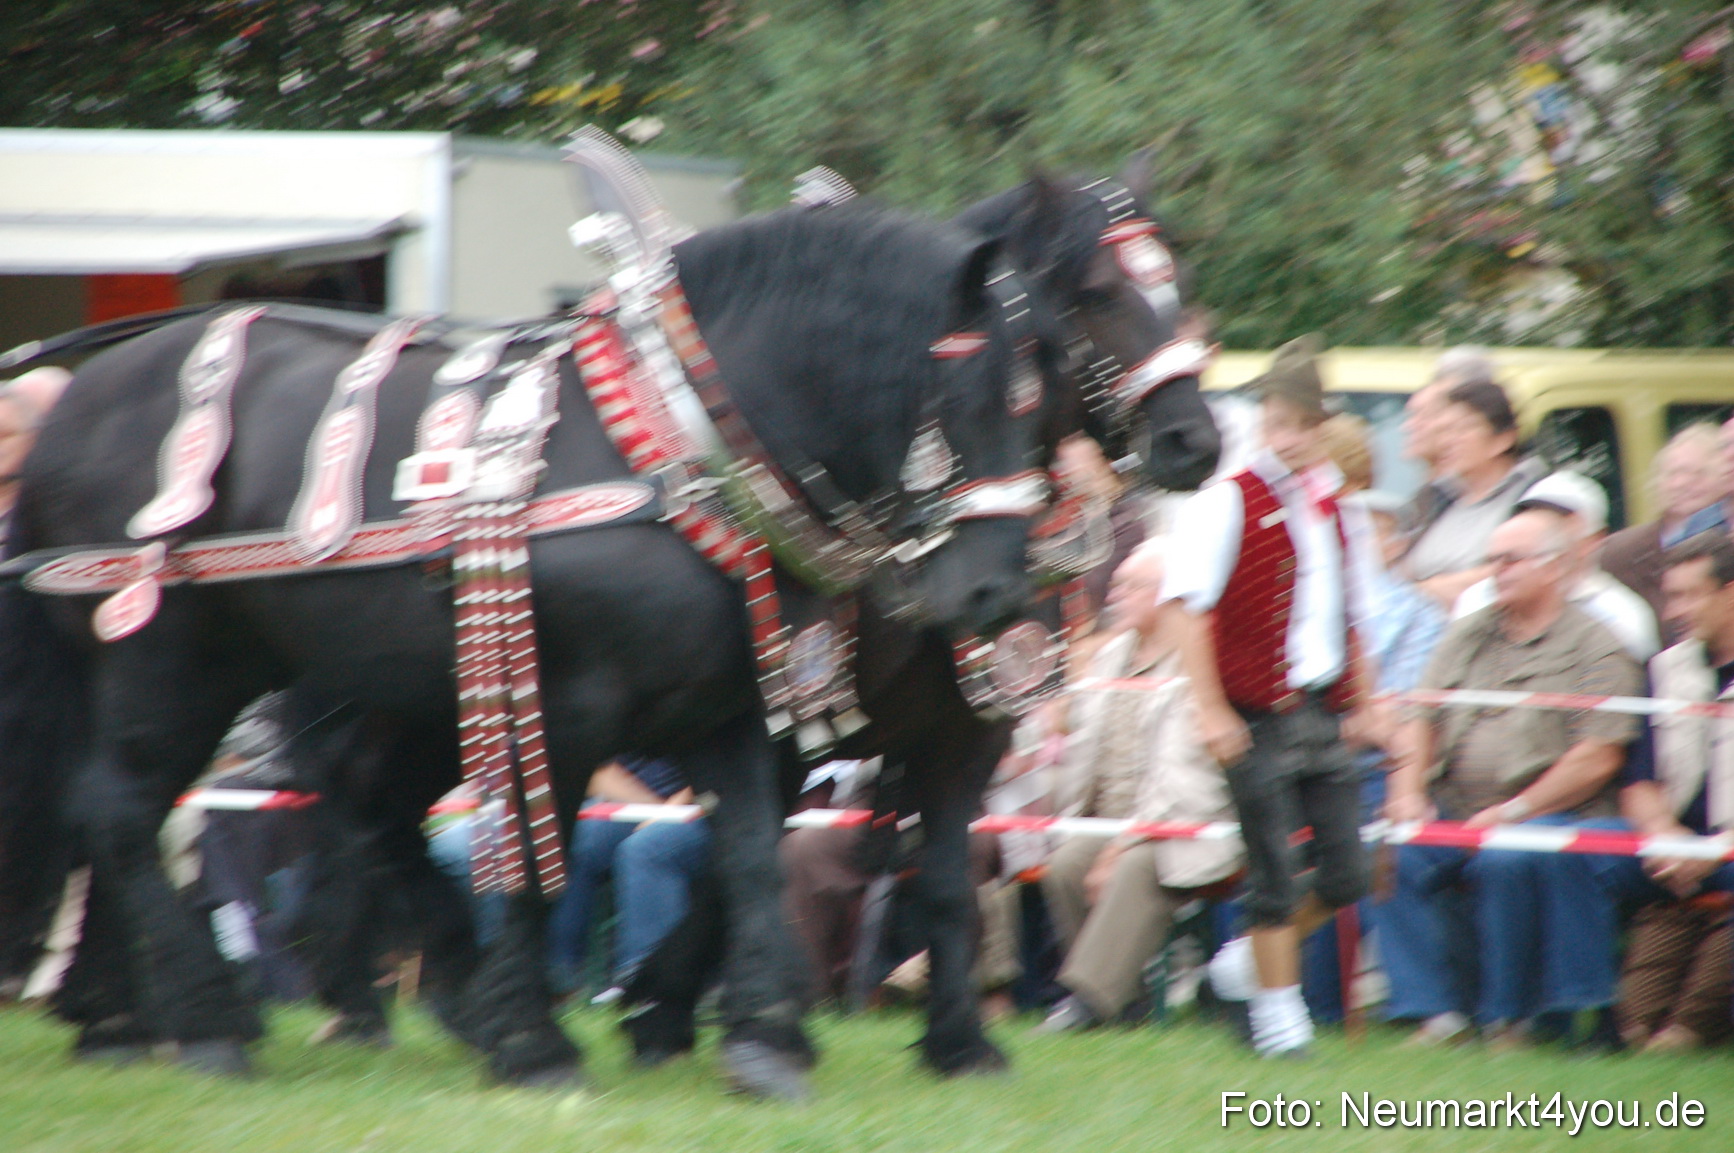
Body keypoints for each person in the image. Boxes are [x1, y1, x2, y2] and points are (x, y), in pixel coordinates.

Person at [1159, 334, 1375, 1057]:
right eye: (1276, 420)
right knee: (1274, 871)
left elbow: (1357, 613)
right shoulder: (1229, 499)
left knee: (1349, 869)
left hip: (1319, 707)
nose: (1285, 436)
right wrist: (1211, 707)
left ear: (1322, 428)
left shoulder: (1339, 508)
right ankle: (1282, 1021)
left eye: (1300, 423)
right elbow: (1186, 607)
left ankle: (1243, 967)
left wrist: (1367, 700)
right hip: (1252, 712)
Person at [1381, 509, 1642, 1047]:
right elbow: (1420, 715)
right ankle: (1437, 1013)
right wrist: (1406, 793)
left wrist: (1513, 811)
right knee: (1393, 850)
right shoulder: (1469, 634)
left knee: (1507, 856)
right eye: (1491, 559)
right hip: (1455, 809)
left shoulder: (1597, 647)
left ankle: (1509, 1017)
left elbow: (1599, 755)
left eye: (1509, 559)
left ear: (1552, 567)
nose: (1495, 570)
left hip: (1550, 814)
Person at [1036, 542, 1243, 1032]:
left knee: (1131, 866)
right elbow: (1082, 752)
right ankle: (1125, 1000)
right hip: (1111, 819)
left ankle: (1087, 1002)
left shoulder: (1201, 661)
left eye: (1132, 586)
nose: (1116, 595)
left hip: (1182, 824)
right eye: (1118, 584)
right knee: (1065, 865)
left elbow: (1182, 778)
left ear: (1170, 595)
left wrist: (1125, 839)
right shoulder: (1110, 656)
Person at [1597, 535, 1734, 1050]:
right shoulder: (1665, 669)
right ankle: (1589, 1017)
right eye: (1670, 597)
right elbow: (1640, 780)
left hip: (1725, 848)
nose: (1675, 611)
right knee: (1578, 856)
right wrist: (1664, 834)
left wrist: (1711, 850)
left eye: (1690, 595)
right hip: (1675, 848)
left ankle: (1693, 1025)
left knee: (1674, 1037)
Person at [545, 756, 708, 999]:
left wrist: (668, 813)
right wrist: (652, 809)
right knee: (578, 837)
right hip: (638, 804)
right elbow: (597, 771)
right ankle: (559, 976)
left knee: (646, 847)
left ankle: (646, 981)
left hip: (704, 806)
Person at [1452, 471, 1659, 661]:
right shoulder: (1477, 599)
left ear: (1594, 540)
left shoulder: (1621, 615)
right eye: (1532, 517)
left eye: (1558, 523)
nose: (1542, 531)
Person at [1401, 378, 1544, 608]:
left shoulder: (1535, 496)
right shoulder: (1434, 499)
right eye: (1444, 430)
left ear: (1502, 439)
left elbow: (1523, 570)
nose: (1447, 441)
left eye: (1462, 429)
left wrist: (1428, 590)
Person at [1601, 423, 1730, 638]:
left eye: (1698, 473)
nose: (1681, 483)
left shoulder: (1728, 547)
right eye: (1673, 473)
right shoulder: (1620, 552)